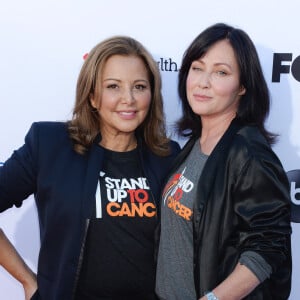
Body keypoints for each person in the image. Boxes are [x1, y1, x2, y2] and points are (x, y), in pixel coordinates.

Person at [0, 35, 181, 300]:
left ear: (152, 95)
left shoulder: (166, 156)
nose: (128, 98)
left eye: (139, 86)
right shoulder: (49, 145)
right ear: (93, 97)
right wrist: (28, 281)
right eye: (113, 86)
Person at [155, 23, 292, 300]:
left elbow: (269, 245)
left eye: (221, 72)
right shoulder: (195, 144)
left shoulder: (249, 154)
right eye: (197, 68)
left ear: (242, 86)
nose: (203, 82)